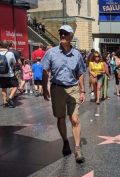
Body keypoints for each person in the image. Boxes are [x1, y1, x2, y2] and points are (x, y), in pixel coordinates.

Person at [41, 25, 86, 163]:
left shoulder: (77, 54)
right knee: (61, 118)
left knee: (75, 119)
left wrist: (83, 90)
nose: (62, 36)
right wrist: (44, 88)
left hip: (73, 89)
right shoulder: (51, 53)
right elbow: (45, 71)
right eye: (61, 33)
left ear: (71, 37)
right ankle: (65, 141)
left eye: (65, 34)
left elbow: (80, 73)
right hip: (57, 89)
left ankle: (77, 148)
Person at [0, 40, 17, 108]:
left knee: (3, 88)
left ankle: (5, 102)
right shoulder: (10, 53)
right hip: (9, 74)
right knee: (15, 86)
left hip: (0, 74)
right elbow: (14, 63)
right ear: (7, 46)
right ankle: (9, 98)